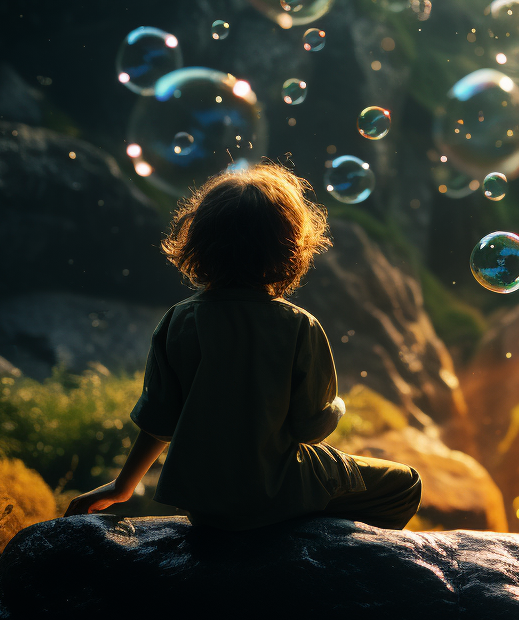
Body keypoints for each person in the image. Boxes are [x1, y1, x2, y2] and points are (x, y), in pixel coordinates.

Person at [65, 164, 421, 530]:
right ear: (289, 250)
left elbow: (159, 420)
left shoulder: (178, 321)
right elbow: (310, 429)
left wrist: (123, 486)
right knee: (406, 484)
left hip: (205, 506)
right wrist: (337, 406)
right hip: (278, 492)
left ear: (198, 242)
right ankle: (314, 548)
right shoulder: (299, 325)